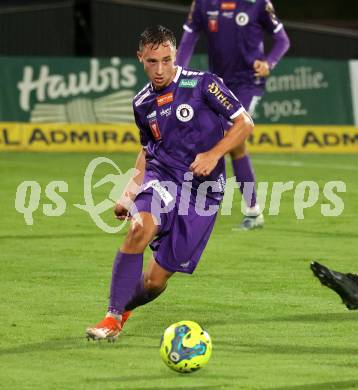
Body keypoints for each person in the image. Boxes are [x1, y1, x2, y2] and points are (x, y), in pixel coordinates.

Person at [86, 25, 254, 341]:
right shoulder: (141, 103)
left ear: (175, 55)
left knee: (154, 281)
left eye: (166, 60)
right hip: (163, 178)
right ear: (140, 58)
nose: (160, 69)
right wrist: (129, 189)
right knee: (140, 228)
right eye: (152, 61)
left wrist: (213, 154)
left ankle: (124, 310)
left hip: (203, 193)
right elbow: (148, 150)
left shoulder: (204, 84)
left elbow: (244, 123)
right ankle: (111, 317)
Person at [176, 0, 290, 230]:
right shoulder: (203, 4)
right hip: (217, 83)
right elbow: (189, 38)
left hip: (248, 83)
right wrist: (175, 73)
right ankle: (253, 212)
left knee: (227, 134)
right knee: (236, 146)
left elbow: (282, 40)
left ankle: (196, 204)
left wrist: (269, 62)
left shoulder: (257, 4)